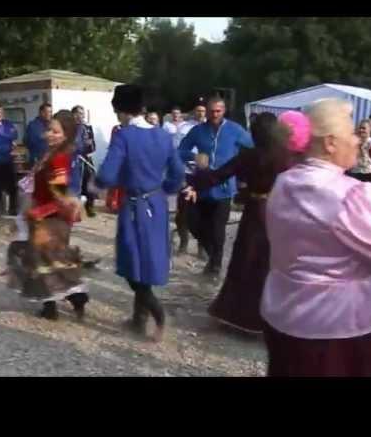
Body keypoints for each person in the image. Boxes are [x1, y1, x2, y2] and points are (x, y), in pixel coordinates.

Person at [260, 98, 371, 377]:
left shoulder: (284, 183)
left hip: (284, 317)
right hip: (338, 329)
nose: (357, 140)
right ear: (330, 142)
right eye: (352, 132)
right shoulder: (351, 195)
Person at [183, 111, 309, 334]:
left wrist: (193, 181)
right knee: (272, 264)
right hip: (280, 214)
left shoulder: (248, 156)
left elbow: (218, 175)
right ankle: (275, 317)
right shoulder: (287, 157)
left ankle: (239, 315)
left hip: (255, 213)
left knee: (246, 261)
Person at [96, 84, 185, 342]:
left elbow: (108, 173)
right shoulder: (163, 135)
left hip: (134, 205)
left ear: (121, 110)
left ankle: (157, 313)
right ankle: (138, 319)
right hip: (156, 204)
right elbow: (178, 173)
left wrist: (98, 184)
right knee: (146, 260)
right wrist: (164, 189)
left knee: (133, 264)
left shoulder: (124, 135)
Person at [7, 110, 89, 321]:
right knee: (46, 262)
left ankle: (72, 299)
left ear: (66, 134)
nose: (49, 134)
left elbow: (60, 196)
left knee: (47, 262)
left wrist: (36, 212)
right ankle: (57, 304)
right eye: (49, 129)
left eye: (55, 131)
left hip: (53, 220)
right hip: (44, 216)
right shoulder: (50, 153)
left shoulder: (59, 158)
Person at [178, 96, 253, 277]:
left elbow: (253, 147)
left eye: (218, 111)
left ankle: (216, 266)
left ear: (224, 111)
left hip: (224, 187)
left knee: (218, 228)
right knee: (193, 222)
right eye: (211, 111)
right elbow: (180, 150)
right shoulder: (198, 131)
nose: (214, 114)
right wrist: (194, 157)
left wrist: (243, 170)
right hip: (202, 185)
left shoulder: (235, 130)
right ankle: (213, 256)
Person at [174, 97, 208, 255]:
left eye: (203, 111)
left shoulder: (214, 128)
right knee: (183, 210)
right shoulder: (185, 127)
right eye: (198, 110)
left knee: (203, 211)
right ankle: (183, 242)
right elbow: (179, 150)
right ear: (194, 111)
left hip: (205, 173)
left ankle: (202, 246)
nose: (200, 113)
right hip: (187, 172)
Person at [74, 105, 98, 217]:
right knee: (75, 185)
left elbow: (93, 146)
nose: (80, 116)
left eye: (82, 114)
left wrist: (89, 145)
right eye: (78, 113)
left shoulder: (87, 128)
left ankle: (90, 206)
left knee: (90, 182)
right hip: (74, 159)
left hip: (86, 158)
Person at [105, 115, 130, 214]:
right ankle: (113, 203)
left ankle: (124, 204)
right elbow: (113, 143)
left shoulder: (133, 130)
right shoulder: (116, 129)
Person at [347, 118, 371, 183]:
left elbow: (368, 161)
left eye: (363, 128)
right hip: (354, 173)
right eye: (359, 128)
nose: (361, 130)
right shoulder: (354, 142)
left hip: (367, 175)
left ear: (370, 129)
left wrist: (361, 148)